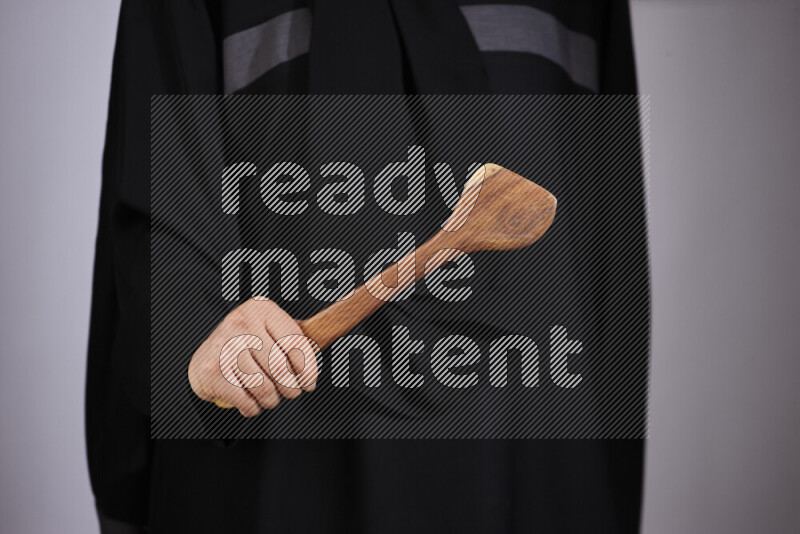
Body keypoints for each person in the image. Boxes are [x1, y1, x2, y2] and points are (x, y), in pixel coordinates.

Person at [87, 1, 649, 532]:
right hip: (270, 449)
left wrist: (609, 487)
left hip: (529, 446)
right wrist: (195, 340)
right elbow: (155, 209)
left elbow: (607, 248)